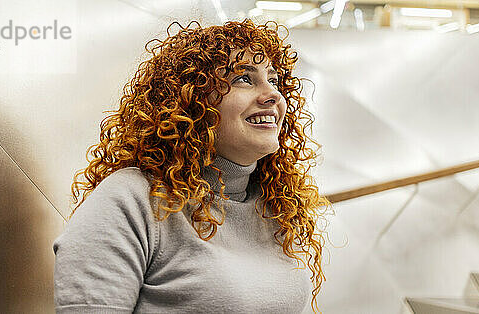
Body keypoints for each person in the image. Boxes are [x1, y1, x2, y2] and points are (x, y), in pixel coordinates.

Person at [53, 19, 332, 313]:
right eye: (243, 79)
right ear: (192, 101)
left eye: (273, 80)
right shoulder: (132, 200)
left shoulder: (274, 204)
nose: (273, 94)